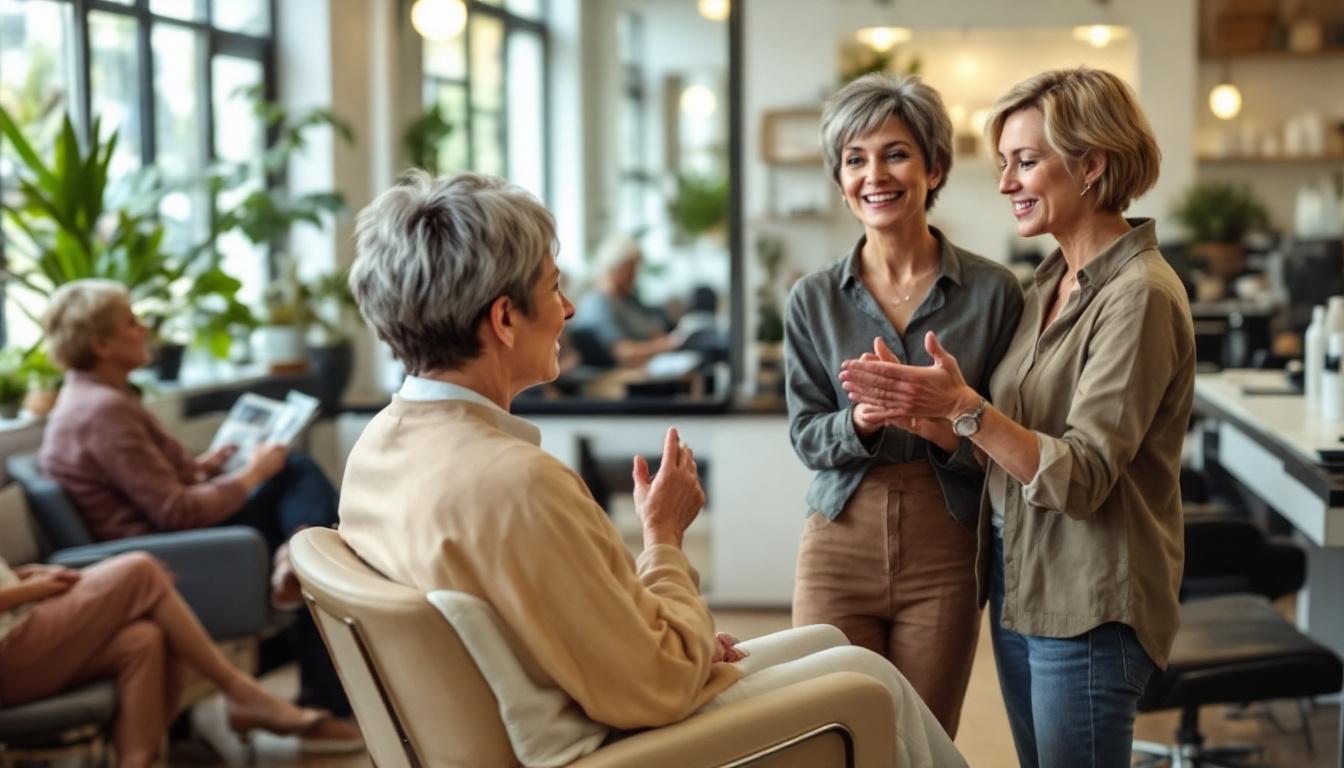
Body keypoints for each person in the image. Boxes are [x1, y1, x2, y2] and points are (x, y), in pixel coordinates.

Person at [337, 170, 966, 768]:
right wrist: (663, 537)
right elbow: (658, 685)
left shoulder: (376, 452)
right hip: (617, 747)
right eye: (555, 287)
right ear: (504, 319)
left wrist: (676, 641)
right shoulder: (515, 484)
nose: (570, 309)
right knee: (872, 679)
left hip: (562, 713)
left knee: (836, 648)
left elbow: (563, 624)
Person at [840, 67, 1193, 767]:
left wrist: (967, 408)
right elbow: (1014, 443)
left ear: (1091, 165)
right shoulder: (1051, 285)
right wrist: (927, 412)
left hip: (1087, 600)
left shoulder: (1138, 296)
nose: (1006, 184)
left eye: (1026, 162)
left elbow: (1081, 476)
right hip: (1021, 583)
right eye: (1004, 163)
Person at [784, 71, 1024, 736]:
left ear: (934, 166)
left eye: (895, 153)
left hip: (945, 543)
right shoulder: (812, 299)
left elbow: (1014, 441)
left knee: (920, 740)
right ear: (839, 180)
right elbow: (805, 433)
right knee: (829, 734)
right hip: (838, 537)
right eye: (854, 159)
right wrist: (860, 421)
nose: (874, 175)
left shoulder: (995, 293)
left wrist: (945, 425)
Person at [37, 280, 360, 746]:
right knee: (304, 503)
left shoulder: (100, 397)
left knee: (299, 499)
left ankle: (296, 552)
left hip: (175, 541)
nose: (145, 328)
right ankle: (299, 567)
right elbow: (176, 512)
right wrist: (249, 476)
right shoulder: (103, 410)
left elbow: (152, 484)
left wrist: (204, 466)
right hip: (176, 556)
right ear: (101, 343)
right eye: (131, 321)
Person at [0, 552, 333, 768]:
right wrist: (31, 591)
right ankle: (240, 690)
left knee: (143, 640)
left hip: (19, 627)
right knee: (140, 570)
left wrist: (23, 575)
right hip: (8, 650)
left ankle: (137, 760)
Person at [569, 235, 682, 367]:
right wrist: (666, 345)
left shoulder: (628, 298)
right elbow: (623, 353)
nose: (634, 276)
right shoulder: (597, 304)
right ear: (613, 267)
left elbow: (654, 330)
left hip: (650, 365)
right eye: (629, 269)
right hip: (619, 375)